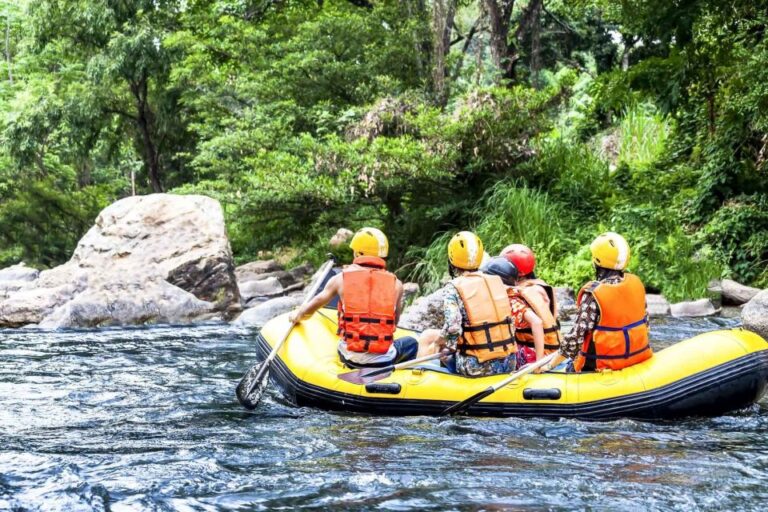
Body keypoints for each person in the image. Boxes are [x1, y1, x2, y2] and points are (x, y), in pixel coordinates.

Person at [288, 227, 418, 368]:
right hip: (384, 360)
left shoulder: (340, 279)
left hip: (350, 357)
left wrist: (297, 314)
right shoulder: (396, 284)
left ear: (357, 252)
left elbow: (308, 310)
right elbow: (395, 321)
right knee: (412, 343)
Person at [543, 232, 653, 373]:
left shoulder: (593, 294)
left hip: (598, 366)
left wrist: (549, 366)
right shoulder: (636, 283)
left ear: (597, 261)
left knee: (568, 365)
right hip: (635, 357)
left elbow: (575, 339)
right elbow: (646, 325)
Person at [429, 231, 517, 377]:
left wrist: (440, 343)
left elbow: (453, 328)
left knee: (438, 351)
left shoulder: (453, 287)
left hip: (476, 366)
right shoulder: (496, 281)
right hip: (509, 362)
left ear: (452, 258)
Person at [500, 244, 561, 366]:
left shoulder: (520, 293)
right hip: (554, 350)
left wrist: (538, 363)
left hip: (537, 353)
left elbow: (536, 323)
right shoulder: (539, 286)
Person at [482, 256, 546, 372]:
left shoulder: (511, 301)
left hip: (531, 355)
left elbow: (537, 322)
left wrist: (538, 363)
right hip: (539, 350)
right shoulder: (511, 294)